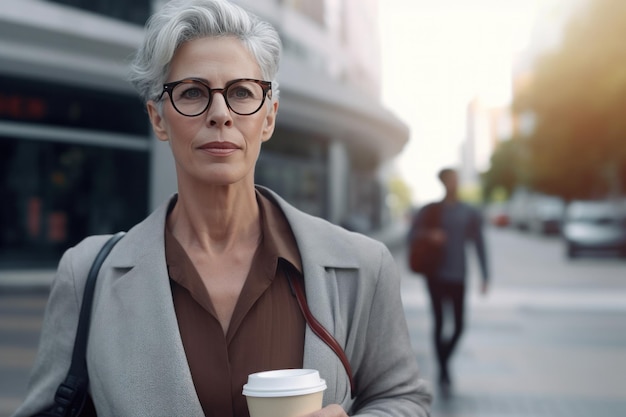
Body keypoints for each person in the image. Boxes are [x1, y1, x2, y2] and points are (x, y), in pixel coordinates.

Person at [11, 1, 432, 416]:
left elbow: (402, 398)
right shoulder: (86, 275)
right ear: (158, 118)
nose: (220, 114)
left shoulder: (363, 267)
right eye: (192, 92)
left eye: (241, 93)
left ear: (268, 118)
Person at [409, 168, 489, 393]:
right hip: (435, 275)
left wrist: (485, 275)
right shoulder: (430, 211)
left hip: (458, 276)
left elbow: (479, 243)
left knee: (460, 325)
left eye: (456, 179)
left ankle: (443, 361)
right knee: (439, 323)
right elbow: (412, 235)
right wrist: (429, 235)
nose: (454, 183)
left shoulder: (468, 212)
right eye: (450, 179)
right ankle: (443, 370)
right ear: (443, 183)